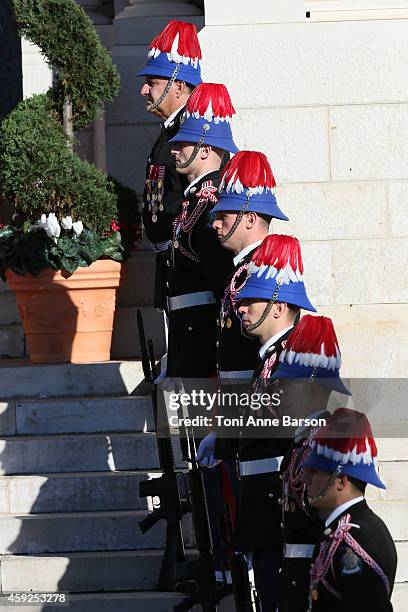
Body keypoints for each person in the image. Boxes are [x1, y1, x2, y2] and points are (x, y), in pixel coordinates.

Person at [228, 234, 316, 611]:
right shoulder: (269, 362)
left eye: (250, 301)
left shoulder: (296, 361)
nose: (241, 309)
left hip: (279, 515)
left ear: (278, 308)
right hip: (263, 515)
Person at [269, 314, 351, 612]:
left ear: (314, 385)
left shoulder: (324, 448)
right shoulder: (302, 441)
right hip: (293, 581)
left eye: (290, 383)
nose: (280, 391)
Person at [165, 82, 239, 378]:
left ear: (205, 149)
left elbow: (222, 279)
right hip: (187, 329)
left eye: (183, 144)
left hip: (203, 332)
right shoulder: (196, 198)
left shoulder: (213, 202)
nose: (174, 149)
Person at [302, 408, 398, 612]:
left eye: (315, 471)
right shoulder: (356, 528)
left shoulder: (352, 541)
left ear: (340, 481)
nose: (305, 478)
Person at [137, 20, 202, 310]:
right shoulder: (171, 130)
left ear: (177, 86)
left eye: (152, 83)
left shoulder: (191, 132)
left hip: (189, 265)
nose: (143, 91)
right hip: (171, 262)